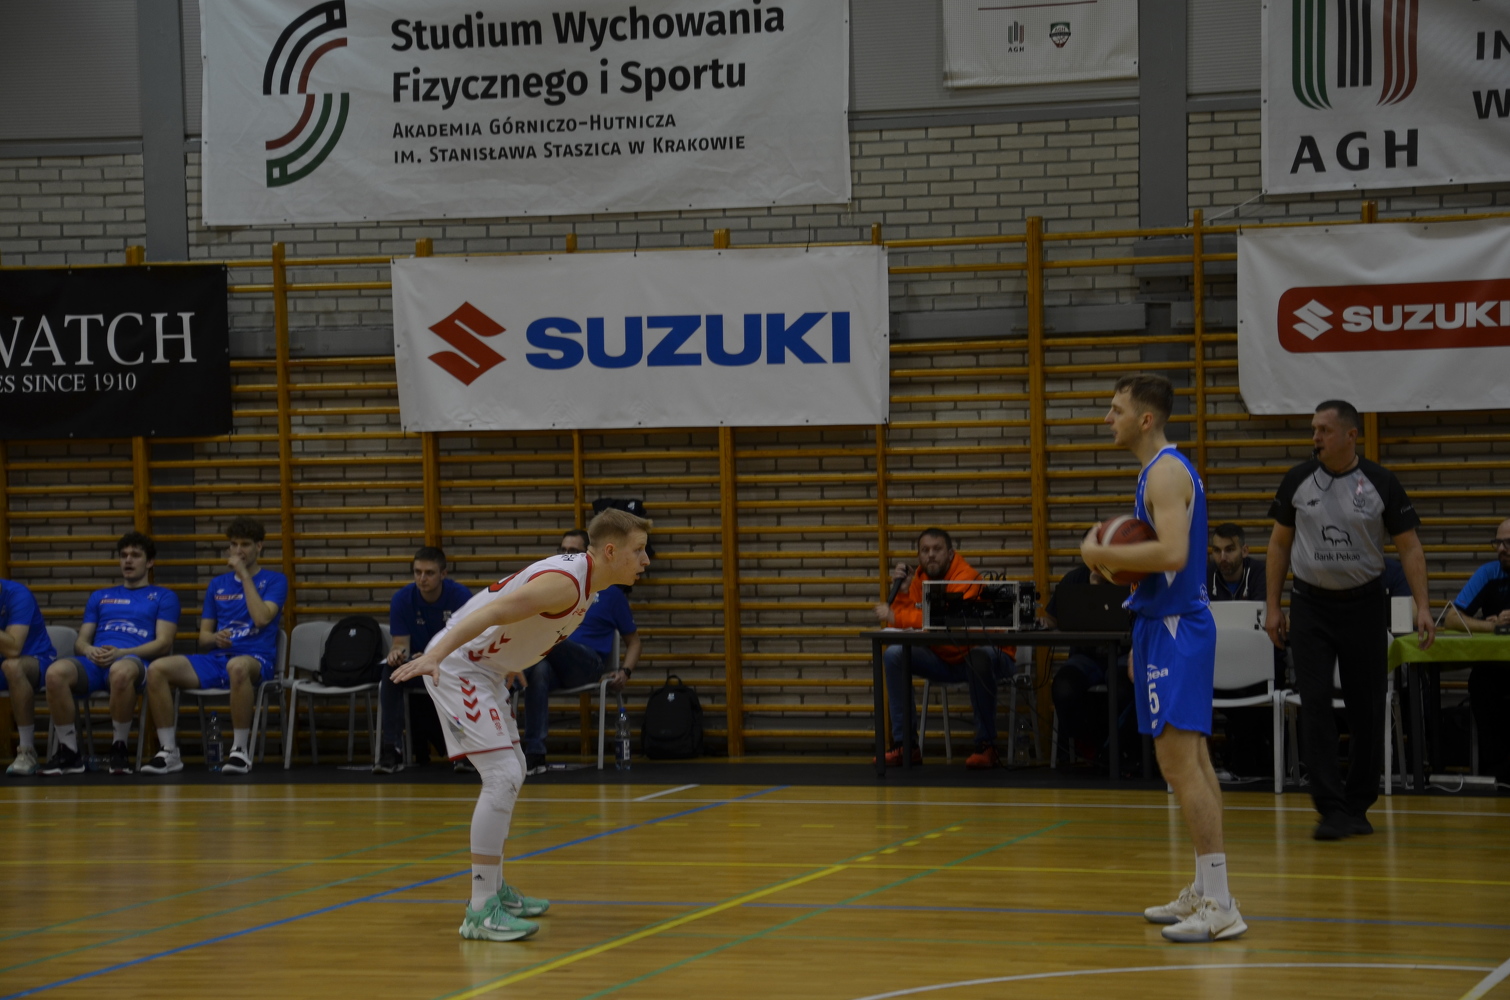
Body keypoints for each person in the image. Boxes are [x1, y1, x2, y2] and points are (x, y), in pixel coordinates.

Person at [391, 506, 652, 942]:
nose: (645, 560)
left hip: (487, 668)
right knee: (503, 775)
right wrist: (435, 655)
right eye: (639, 550)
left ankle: (494, 888)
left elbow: (518, 621)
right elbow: (493, 612)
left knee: (514, 769)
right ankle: (480, 910)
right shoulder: (565, 582)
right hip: (459, 665)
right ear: (611, 551)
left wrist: (511, 660)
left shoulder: (589, 581)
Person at [1079, 373, 1245, 942]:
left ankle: (1220, 904)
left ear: (1145, 419)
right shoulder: (1158, 471)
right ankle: (1207, 888)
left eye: (1116, 408)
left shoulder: (1167, 473)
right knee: (1192, 762)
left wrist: (1098, 551)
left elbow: (1173, 552)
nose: (1108, 418)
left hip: (1177, 628)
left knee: (1180, 766)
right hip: (1162, 625)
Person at [1264, 399, 1434, 840]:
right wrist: (1273, 606)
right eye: (1313, 429)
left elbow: (1410, 547)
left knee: (1367, 708)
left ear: (1350, 435)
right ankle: (1330, 808)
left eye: (1323, 429)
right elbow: (1279, 545)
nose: (1315, 437)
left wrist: (1423, 606)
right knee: (1315, 702)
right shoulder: (1298, 480)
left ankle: (1358, 805)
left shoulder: (1380, 482)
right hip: (1310, 607)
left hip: (1364, 606)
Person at [140, 517, 288, 776]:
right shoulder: (217, 585)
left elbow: (262, 618)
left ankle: (239, 750)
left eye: (245, 544)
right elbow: (204, 638)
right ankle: (168, 751)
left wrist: (244, 576)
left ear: (259, 546)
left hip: (255, 657)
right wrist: (215, 638)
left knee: (237, 666)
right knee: (156, 669)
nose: (238, 551)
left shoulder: (275, 580)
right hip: (218, 659)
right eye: (234, 544)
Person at [874, 528, 1017, 769]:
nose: (930, 555)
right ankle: (906, 745)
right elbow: (902, 623)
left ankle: (986, 745)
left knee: (979, 656)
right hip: (945, 659)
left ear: (950, 554)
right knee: (894, 654)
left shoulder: (965, 577)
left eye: (937, 549)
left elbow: (943, 620)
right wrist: (903, 592)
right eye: (925, 550)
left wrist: (897, 617)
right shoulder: (919, 580)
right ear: (918, 556)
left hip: (988, 658)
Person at [39, 532, 180, 776]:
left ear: (150, 562)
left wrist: (122, 652)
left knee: (120, 671)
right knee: (54, 673)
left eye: (135, 555)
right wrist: (89, 649)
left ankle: (119, 748)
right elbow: (81, 641)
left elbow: (164, 643)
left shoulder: (164, 596)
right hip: (96, 662)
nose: (128, 560)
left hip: (134, 660)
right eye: (123, 555)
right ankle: (69, 752)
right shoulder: (100, 596)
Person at [521, 529, 640, 775]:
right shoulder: (552, 587)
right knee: (538, 670)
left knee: (551, 640)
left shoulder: (610, 592)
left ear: (588, 555)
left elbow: (634, 642)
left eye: (572, 551)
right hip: (553, 666)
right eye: (562, 551)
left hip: (588, 664)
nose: (566, 555)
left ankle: (507, 677)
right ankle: (534, 754)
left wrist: (625, 672)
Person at [373, 546, 474, 774]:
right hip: (419, 666)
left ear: (443, 574)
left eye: (429, 573)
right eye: (417, 572)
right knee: (391, 672)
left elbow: (467, 646)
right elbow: (400, 643)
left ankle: (463, 750)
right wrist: (397, 653)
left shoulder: (461, 597)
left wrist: (434, 656)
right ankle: (392, 750)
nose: (422, 578)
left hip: (452, 667)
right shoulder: (402, 599)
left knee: (462, 676)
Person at [1040, 565, 1132, 769]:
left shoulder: (1130, 576)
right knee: (1063, 688)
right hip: (1086, 657)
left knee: (1123, 687)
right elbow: (1053, 618)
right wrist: (1043, 622)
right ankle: (1087, 745)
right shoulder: (1074, 579)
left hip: (1122, 654)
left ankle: (1121, 749)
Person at [1446, 517, 1510, 787]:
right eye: (1498, 542)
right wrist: (1489, 626)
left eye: (1508, 543)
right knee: (1481, 684)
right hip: (1494, 669)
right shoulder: (1488, 573)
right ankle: (1499, 773)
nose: (1501, 549)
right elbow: (1451, 618)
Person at [2, 577, 58, 776]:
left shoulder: (17, 595)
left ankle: (27, 751)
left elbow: (13, 649)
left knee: (12, 666)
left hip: (36, 660)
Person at [1206, 523, 1266, 602]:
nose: (1222, 558)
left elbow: (1261, 608)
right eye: (1217, 550)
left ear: (1244, 551)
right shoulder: (1206, 575)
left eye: (1229, 550)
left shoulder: (1259, 573)